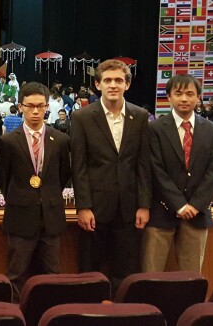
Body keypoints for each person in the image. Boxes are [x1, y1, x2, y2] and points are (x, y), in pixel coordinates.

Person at [70, 59, 151, 293]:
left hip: (129, 208)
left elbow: (143, 165)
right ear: (97, 85)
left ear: (127, 84)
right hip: (94, 208)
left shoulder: (141, 116)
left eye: (118, 80)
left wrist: (144, 205)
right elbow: (79, 166)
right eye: (107, 80)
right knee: (90, 271)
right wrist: (83, 206)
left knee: (126, 272)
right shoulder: (82, 117)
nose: (113, 85)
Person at [0, 82, 71, 299]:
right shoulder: (8, 141)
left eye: (40, 106)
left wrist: (47, 196)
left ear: (48, 106)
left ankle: (49, 315)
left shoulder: (60, 140)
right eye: (30, 106)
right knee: (16, 274)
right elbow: (3, 178)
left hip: (51, 216)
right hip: (20, 215)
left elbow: (63, 175)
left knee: (51, 273)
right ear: (20, 107)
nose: (35, 111)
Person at [143, 74, 213, 274]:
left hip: (197, 213)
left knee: (192, 275)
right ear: (168, 97)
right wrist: (179, 204)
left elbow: (212, 172)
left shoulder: (212, 130)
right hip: (161, 212)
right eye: (178, 94)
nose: (184, 99)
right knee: (151, 273)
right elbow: (155, 170)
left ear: (198, 98)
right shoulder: (155, 129)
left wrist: (195, 205)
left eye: (190, 94)